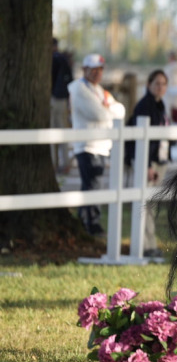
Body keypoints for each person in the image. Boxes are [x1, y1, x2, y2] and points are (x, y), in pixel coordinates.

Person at [68, 53, 126, 235]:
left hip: (100, 146)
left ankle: (84, 222)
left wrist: (106, 108)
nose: (97, 73)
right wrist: (108, 109)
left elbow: (121, 110)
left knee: (91, 185)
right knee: (93, 185)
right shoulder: (79, 89)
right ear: (84, 69)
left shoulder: (99, 90)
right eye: (93, 69)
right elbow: (99, 114)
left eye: (100, 69)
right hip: (88, 145)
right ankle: (92, 224)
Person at [125, 70, 171, 258]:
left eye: (163, 84)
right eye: (156, 84)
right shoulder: (145, 106)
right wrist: (146, 166)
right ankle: (144, 245)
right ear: (148, 85)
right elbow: (141, 141)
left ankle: (149, 243)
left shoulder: (160, 104)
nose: (160, 87)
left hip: (158, 160)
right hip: (148, 161)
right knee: (144, 204)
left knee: (151, 204)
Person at [51, 37, 73, 172]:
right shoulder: (63, 59)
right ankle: (65, 163)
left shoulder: (51, 58)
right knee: (63, 132)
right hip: (63, 99)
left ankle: (53, 163)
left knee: (51, 132)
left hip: (52, 98)